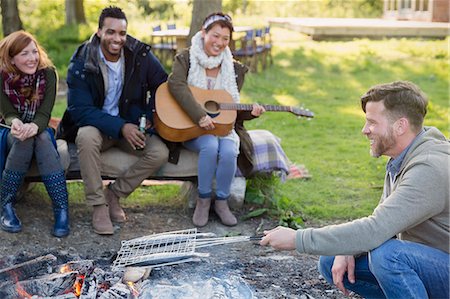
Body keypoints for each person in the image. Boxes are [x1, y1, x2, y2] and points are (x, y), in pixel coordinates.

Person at [260, 81, 449, 299]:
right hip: (433, 261)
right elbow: (383, 222)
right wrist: (349, 247)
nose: (364, 130)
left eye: (372, 122)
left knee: (388, 256)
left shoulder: (428, 167)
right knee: (331, 260)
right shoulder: (404, 158)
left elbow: (376, 229)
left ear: (400, 126)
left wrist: (297, 239)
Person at [57, 6, 169, 235]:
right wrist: (121, 127)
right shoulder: (82, 60)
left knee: (159, 152)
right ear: (99, 32)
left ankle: (114, 194)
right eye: (111, 32)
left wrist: (148, 115)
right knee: (85, 136)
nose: (117, 39)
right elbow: (80, 110)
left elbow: (163, 85)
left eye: (122, 33)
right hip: (99, 127)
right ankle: (98, 206)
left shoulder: (140, 55)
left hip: (130, 124)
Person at [167, 12, 265, 227]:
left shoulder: (234, 69)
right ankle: (203, 200)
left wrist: (251, 112)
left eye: (225, 39)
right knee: (210, 145)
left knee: (230, 150)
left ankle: (221, 201)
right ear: (203, 33)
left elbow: (229, 109)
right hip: (190, 126)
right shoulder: (186, 58)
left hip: (222, 128)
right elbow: (176, 85)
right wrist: (199, 115)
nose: (220, 42)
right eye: (215, 35)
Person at [0, 31, 70, 238]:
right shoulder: (1, 78)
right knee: (24, 139)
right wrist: (18, 124)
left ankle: (61, 210)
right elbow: (8, 113)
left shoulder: (48, 74)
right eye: (24, 54)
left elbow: (45, 113)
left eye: (34, 52)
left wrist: (34, 126)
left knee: (38, 137)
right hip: (10, 131)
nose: (32, 58)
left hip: (39, 128)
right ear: (12, 58)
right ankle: (7, 207)